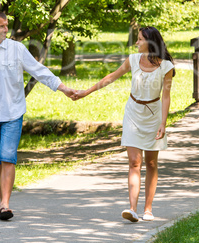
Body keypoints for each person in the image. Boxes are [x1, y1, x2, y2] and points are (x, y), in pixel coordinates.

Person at [0, 10, 76, 220]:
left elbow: (39, 71)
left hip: (12, 112)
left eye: (7, 25)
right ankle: (1, 201)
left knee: (7, 157)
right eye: (2, 26)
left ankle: (5, 205)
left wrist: (64, 88)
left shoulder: (17, 49)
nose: (6, 29)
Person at [72, 26, 175, 222]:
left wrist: (163, 123)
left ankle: (148, 209)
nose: (136, 43)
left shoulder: (166, 66)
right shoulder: (133, 60)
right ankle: (132, 209)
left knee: (151, 163)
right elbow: (110, 77)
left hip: (153, 116)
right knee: (134, 162)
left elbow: (166, 97)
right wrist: (86, 92)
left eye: (139, 39)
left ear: (150, 42)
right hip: (133, 113)